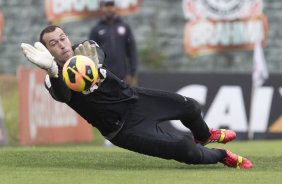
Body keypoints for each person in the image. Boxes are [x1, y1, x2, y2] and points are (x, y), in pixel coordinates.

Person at [21, 25, 252, 169]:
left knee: (190, 107)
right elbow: (62, 95)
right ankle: (221, 155)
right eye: (54, 43)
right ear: (47, 51)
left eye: (62, 38)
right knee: (186, 151)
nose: (62, 45)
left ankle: (204, 135)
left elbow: (98, 54)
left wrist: (92, 63)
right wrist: (52, 70)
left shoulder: (85, 49)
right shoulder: (52, 78)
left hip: (136, 100)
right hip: (123, 128)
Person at [89, 0, 138, 86]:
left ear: (115, 7)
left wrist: (131, 73)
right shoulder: (95, 30)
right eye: (106, 5)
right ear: (101, 8)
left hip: (123, 77)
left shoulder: (124, 27)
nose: (109, 8)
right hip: (104, 77)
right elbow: (92, 54)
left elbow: (132, 51)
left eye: (111, 5)